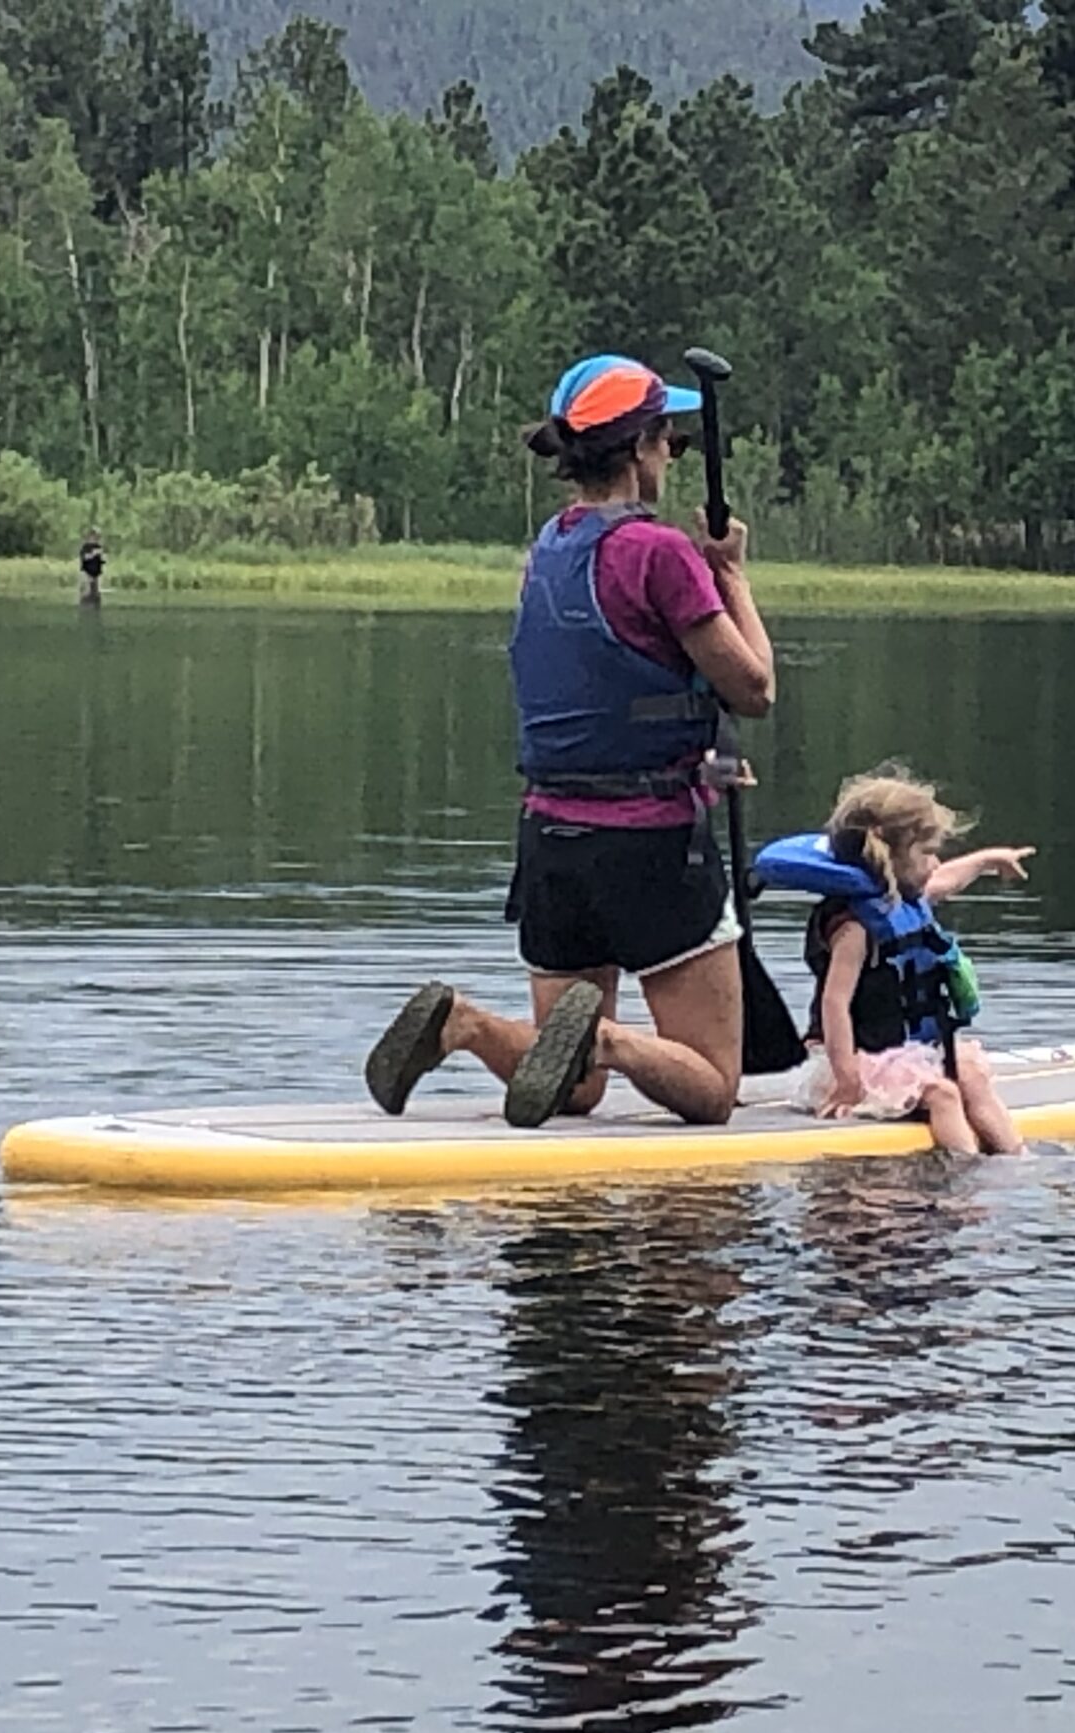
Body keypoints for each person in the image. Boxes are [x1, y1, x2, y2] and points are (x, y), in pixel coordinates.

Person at [363, 353, 775, 1129]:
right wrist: (734, 577)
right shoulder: (660, 553)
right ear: (641, 446)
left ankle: (465, 1025)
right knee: (715, 1089)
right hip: (651, 848)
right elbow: (753, 690)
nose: (671, 456)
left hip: (550, 840)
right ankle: (610, 1038)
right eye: (670, 442)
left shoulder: (548, 548)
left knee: (573, 1089)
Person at [783, 767, 1031, 1157]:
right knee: (946, 1095)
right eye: (926, 852)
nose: (935, 863)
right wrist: (846, 1079)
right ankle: (965, 1176)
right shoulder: (855, 927)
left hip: (906, 1050)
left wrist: (988, 860)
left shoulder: (904, 897)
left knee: (973, 1077)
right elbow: (835, 1004)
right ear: (887, 856)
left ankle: (1018, 1159)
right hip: (858, 1059)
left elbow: (947, 879)